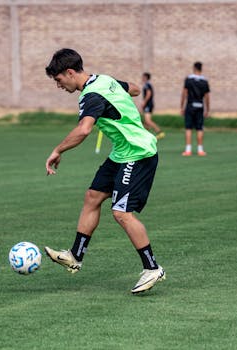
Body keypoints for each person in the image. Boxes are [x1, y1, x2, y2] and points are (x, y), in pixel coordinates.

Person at [43, 48, 165, 294]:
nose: (58, 86)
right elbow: (134, 88)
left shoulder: (91, 96)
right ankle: (75, 255)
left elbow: (83, 130)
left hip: (138, 153)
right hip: (122, 152)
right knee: (93, 196)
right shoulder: (104, 80)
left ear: (69, 72)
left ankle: (152, 268)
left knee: (121, 213)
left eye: (58, 80)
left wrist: (58, 150)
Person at [180, 61, 210, 156]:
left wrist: (182, 106)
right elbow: (207, 96)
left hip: (190, 106)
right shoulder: (204, 81)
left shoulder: (189, 79)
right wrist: (207, 109)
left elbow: (184, 93)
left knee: (188, 128)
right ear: (201, 68)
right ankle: (200, 150)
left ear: (194, 68)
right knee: (199, 128)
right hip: (200, 106)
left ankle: (188, 150)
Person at [141, 72, 165, 140]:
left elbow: (149, 93)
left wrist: (144, 102)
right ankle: (145, 136)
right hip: (149, 104)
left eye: (143, 77)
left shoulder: (147, 84)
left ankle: (160, 132)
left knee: (148, 121)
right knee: (146, 122)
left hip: (148, 104)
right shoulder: (148, 84)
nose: (142, 78)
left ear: (146, 77)